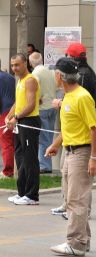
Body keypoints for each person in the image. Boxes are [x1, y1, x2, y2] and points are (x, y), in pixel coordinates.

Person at [45, 57, 95, 257]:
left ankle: (75, 243)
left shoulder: (82, 97)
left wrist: (93, 158)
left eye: (55, 73)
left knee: (77, 199)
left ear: (60, 76)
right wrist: (55, 145)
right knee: (71, 198)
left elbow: (93, 127)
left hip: (81, 153)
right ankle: (83, 241)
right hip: (70, 151)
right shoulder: (68, 97)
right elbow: (69, 129)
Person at [51, 42, 96, 217]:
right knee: (72, 182)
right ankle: (72, 208)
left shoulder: (80, 82)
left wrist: (93, 156)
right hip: (73, 140)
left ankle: (77, 212)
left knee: (78, 189)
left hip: (80, 143)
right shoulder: (87, 73)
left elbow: (88, 119)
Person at [6, 53, 41, 205]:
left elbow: (31, 104)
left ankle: (32, 195)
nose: (14, 68)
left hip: (29, 121)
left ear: (25, 63)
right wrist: (9, 116)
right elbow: (18, 103)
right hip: (20, 121)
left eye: (17, 65)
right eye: (12, 65)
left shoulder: (30, 80)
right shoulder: (20, 80)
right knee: (20, 157)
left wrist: (17, 117)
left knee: (29, 159)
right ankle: (22, 192)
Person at [29, 52, 58, 174]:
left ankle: (44, 165)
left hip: (42, 108)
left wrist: (37, 98)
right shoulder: (51, 72)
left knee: (42, 138)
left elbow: (34, 89)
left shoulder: (35, 73)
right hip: (52, 106)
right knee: (49, 136)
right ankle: (46, 163)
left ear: (31, 63)